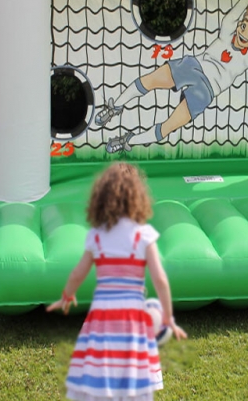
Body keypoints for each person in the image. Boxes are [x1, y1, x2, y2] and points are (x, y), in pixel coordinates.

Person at [95, 0, 248, 152]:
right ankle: (115, 107)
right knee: (150, 80)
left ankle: (127, 140)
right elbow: (232, 16)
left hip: (206, 91)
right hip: (194, 66)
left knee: (169, 125)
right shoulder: (227, 33)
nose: (244, 31)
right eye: (244, 25)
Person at [47, 162, 187, 400]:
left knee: (101, 368)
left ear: (102, 198)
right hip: (132, 314)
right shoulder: (143, 236)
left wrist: (66, 295)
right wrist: (168, 317)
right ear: (138, 197)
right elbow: (160, 280)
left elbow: (77, 274)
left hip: (103, 314)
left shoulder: (97, 236)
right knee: (133, 370)